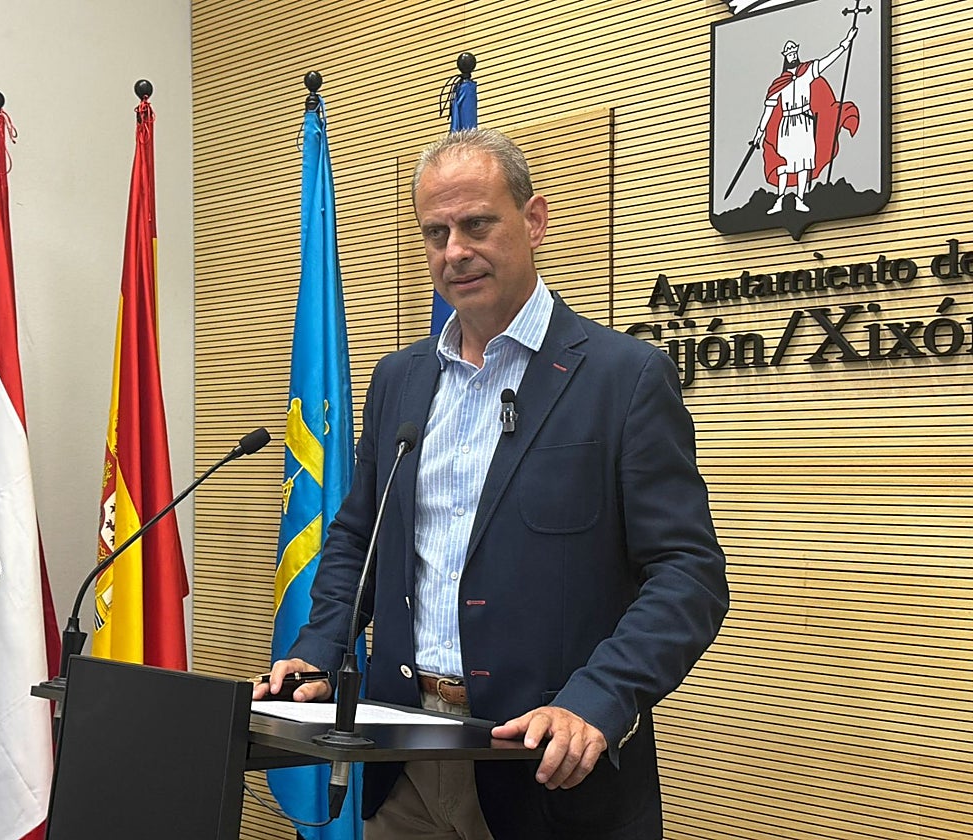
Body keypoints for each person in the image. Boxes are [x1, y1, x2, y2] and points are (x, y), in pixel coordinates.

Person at [255, 128, 729, 839]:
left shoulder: (623, 378)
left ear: (533, 221)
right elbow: (359, 537)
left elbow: (688, 575)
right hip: (403, 759)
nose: (454, 251)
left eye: (476, 223)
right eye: (435, 232)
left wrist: (598, 700)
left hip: (541, 773)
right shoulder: (400, 380)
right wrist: (319, 649)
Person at [752, 30, 858, 214]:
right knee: (783, 163)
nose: (792, 54)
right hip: (787, 124)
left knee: (803, 163)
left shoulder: (806, 72)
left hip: (804, 122)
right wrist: (759, 133)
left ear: (797, 52)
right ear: (785, 56)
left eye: (794, 51)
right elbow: (768, 110)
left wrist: (845, 43)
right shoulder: (779, 84)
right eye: (789, 52)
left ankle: (800, 199)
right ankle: (780, 199)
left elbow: (827, 61)